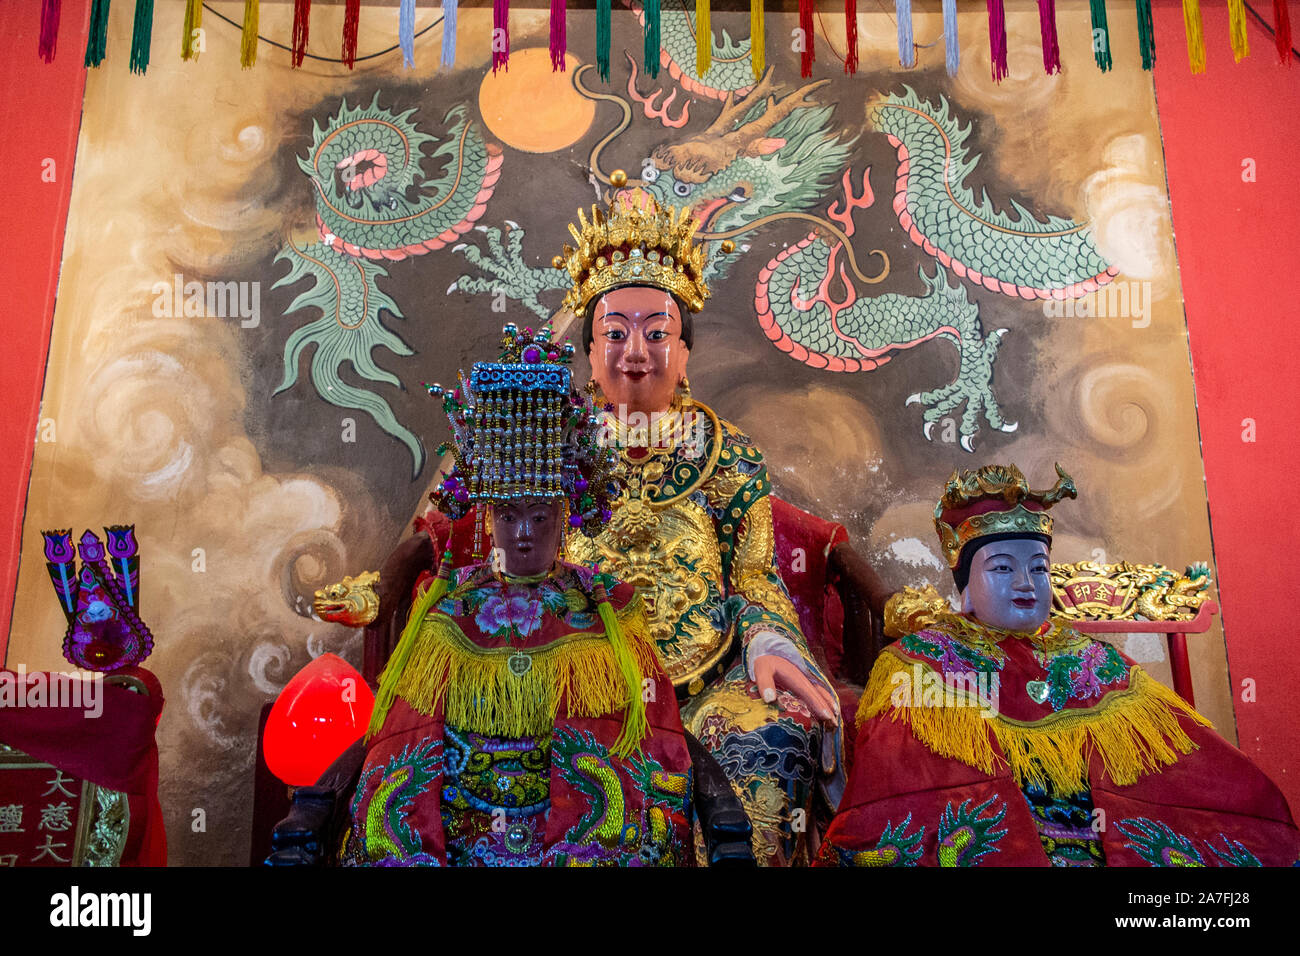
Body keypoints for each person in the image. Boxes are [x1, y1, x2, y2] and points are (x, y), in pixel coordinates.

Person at [552, 172, 841, 865]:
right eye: (613, 332)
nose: (635, 351)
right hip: (581, 675)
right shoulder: (554, 450)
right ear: (590, 353)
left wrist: (770, 643)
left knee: (769, 738)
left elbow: (754, 576)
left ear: (684, 354)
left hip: (709, 682)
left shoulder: (728, 454)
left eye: (658, 332)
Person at [816, 463, 1300, 866]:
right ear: (964, 587)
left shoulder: (1093, 658)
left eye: (1040, 568)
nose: (1026, 583)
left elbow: (1188, 765)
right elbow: (918, 792)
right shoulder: (921, 663)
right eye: (1002, 567)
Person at [340, 329, 696, 866]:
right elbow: (404, 749)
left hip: (573, 842)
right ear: (486, 519)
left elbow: (642, 749)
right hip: (462, 842)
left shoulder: (603, 609)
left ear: (565, 519)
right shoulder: (448, 610)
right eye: (508, 515)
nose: (524, 532)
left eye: (540, 515)